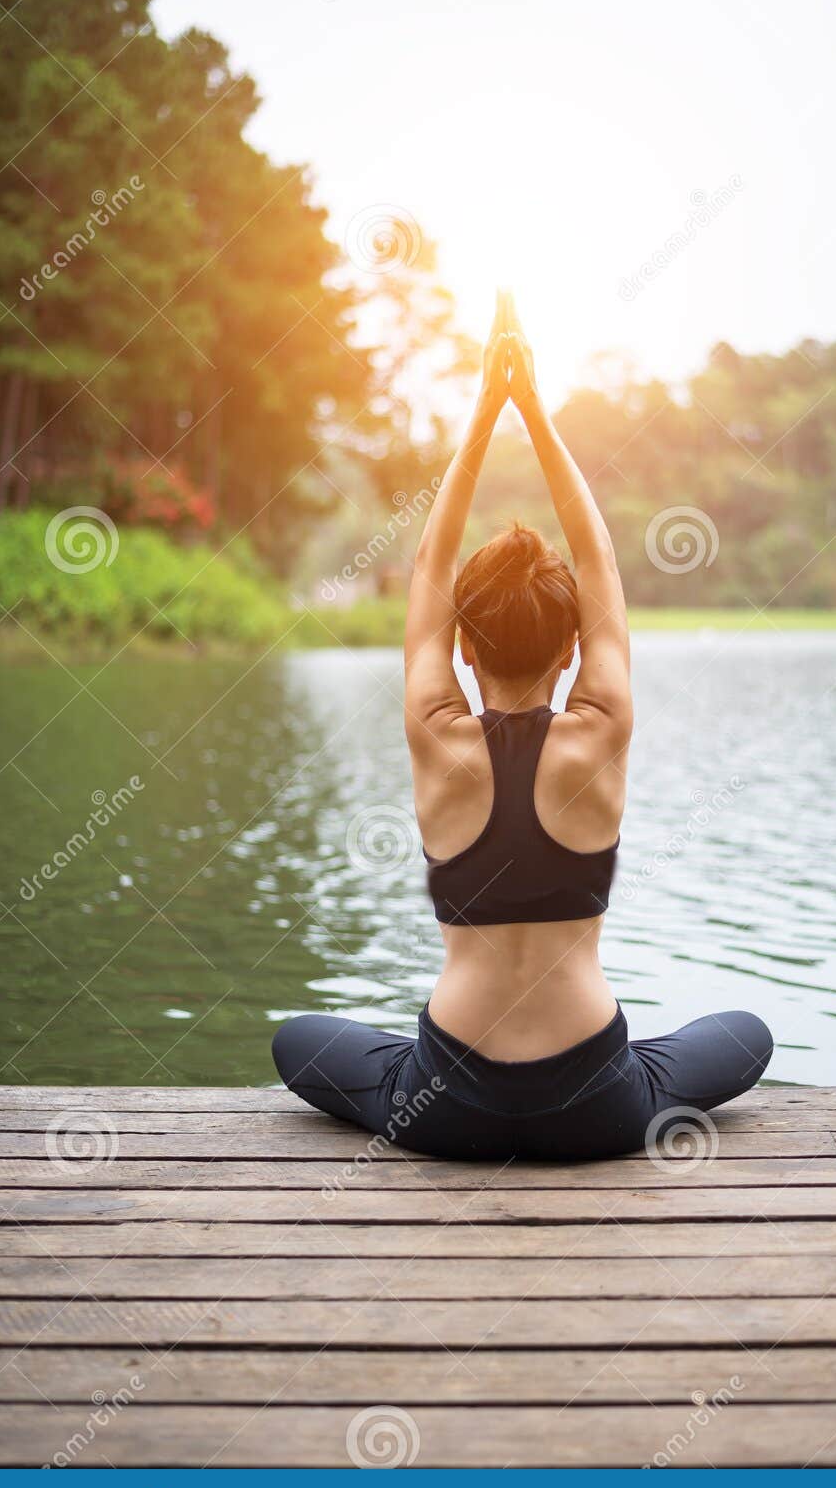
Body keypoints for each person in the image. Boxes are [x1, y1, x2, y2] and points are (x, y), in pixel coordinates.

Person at [273, 294, 772, 1159]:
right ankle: (639, 1073)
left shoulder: (437, 734)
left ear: (463, 643)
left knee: (297, 1041)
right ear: (576, 641)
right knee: (746, 1034)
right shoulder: (602, 726)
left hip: (442, 1104)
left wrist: (482, 415)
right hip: (598, 1106)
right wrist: (535, 410)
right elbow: (598, 559)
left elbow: (430, 563)